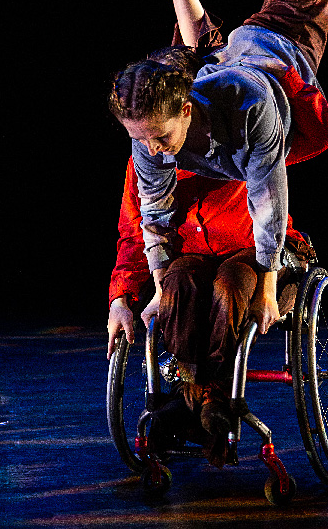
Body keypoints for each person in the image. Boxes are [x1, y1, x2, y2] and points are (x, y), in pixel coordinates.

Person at [109, 0, 328, 346]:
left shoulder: (242, 105)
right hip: (230, 60)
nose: (150, 146)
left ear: (185, 109)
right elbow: (140, 221)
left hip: (275, 46)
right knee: (206, 57)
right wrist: (140, 292)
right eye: (142, 137)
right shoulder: (152, 133)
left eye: (157, 136)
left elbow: (268, 194)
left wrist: (271, 278)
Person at [107, 146, 312, 465]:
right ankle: (197, 397)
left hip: (256, 251)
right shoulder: (148, 157)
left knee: (229, 284)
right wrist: (121, 299)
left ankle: (203, 399)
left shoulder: (240, 135)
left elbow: (315, 138)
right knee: (178, 283)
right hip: (192, 256)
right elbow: (136, 233)